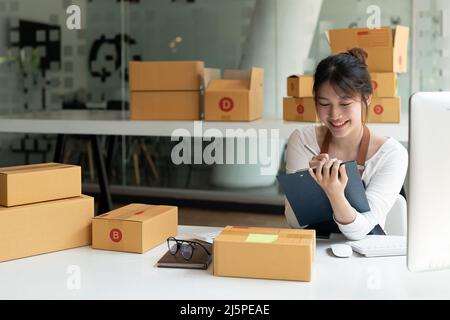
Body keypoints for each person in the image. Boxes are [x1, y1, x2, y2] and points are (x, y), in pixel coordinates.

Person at [284, 48, 408, 240]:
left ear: (366, 99)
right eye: (324, 104)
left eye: (345, 104)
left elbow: (362, 229)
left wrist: (334, 193)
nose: (335, 115)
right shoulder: (302, 140)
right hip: (315, 251)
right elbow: (295, 222)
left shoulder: (392, 154)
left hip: (364, 256)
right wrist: (309, 182)